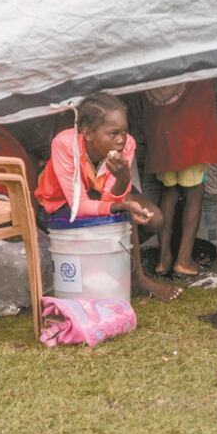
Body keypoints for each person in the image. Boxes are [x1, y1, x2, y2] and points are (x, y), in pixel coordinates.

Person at [35, 93, 181, 300]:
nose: (121, 139)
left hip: (101, 195)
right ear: (88, 133)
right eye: (112, 133)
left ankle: (132, 276)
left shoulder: (127, 145)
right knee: (116, 219)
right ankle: (122, 275)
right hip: (61, 204)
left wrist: (122, 180)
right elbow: (81, 205)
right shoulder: (65, 145)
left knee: (154, 218)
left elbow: (109, 199)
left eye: (124, 131)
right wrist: (122, 207)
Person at [142, 81, 217, 278]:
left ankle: (164, 260)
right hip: (191, 131)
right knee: (194, 193)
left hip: (161, 129)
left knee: (169, 192)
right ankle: (184, 260)